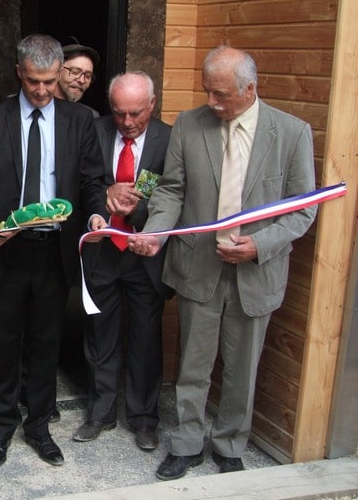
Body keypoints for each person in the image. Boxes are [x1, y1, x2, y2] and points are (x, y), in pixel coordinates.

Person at [129, 46, 317, 480]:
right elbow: (172, 189)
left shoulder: (291, 133)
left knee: (241, 368)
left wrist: (259, 245)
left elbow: (302, 210)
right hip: (199, 267)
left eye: (220, 95)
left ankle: (230, 444)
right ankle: (188, 443)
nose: (210, 102)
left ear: (250, 90)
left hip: (256, 272)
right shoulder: (189, 126)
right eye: (206, 92)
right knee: (192, 366)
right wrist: (157, 232)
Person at [0, 33, 105, 469]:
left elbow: (90, 180)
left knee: (46, 342)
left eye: (50, 82)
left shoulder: (79, 120)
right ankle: (2, 427)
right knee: (4, 341)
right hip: (9, 250)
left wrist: (97, 215)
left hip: (55, 250)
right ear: (19, 74)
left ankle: (39, 426)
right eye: (34, 82)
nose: (43, 91)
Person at [77, 72, 174, 451]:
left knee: (146, 339)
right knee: (100, 337)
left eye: (136, 113)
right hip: (103, 249)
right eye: (119, 114)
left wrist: (139, 208)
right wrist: (103, 195)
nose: (128, 122)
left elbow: (174, 190)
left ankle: (144, 418)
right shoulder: (94, 130)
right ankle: (100, 413)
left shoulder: (169, 138)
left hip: (143, 254)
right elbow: (79, 180)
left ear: (152, 105)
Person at [54, 41, 101, 118]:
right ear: (57, 70)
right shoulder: (36, 109)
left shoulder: (90, 117)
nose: (82, 80)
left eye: (88, 76)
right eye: (75, 72)